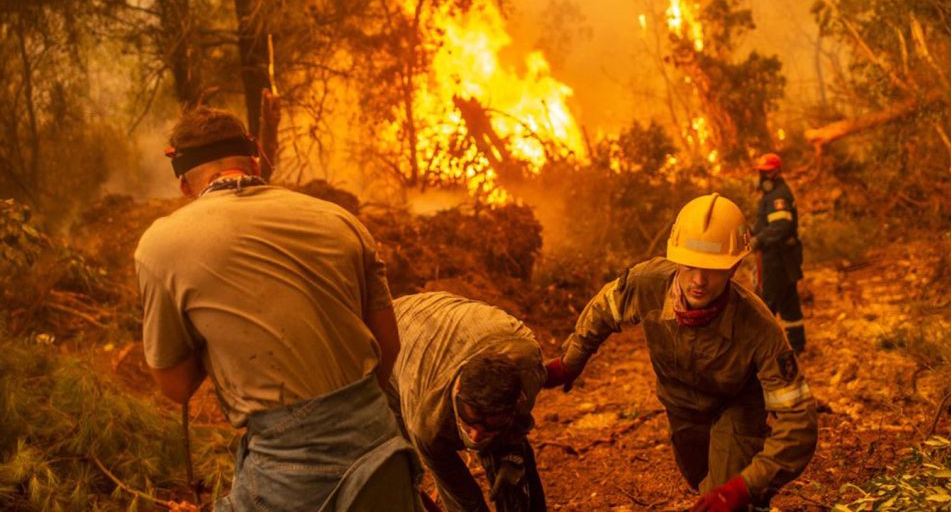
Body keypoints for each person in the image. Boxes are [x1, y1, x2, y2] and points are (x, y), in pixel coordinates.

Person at [134, 106, 422, 512]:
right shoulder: (340, 221)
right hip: (380, 446)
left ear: (183, 183)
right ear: (255, 160)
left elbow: (176, 386)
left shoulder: (161, 245)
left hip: (289, 470)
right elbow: (388, 346)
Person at [544, 194, 818, 512]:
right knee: (700, 482)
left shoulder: (758, 327)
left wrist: (746, 486)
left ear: (734, 266)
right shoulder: (647, 284)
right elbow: (604, 309)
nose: (699, 281)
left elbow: (800, 423)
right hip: (682, 407)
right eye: (690, 266)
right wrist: (571, 361)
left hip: (736, 407)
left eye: (713, 269)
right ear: (676, 259)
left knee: (728, 491)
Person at [387, 292, 548, 512]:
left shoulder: (528, 369)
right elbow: (461, 498)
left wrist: (512, 454)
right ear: (457, 390)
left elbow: (518, 422)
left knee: (512, 468)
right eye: (470, 421)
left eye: (490, 426)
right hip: (389, 335)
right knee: (402, 463)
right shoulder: (426, 422)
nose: (475, 436)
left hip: (477, 328)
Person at [750, 153, 806, 354]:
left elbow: (781, 226)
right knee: (788, 301)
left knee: (766, 303)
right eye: (759, 172)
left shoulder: (778, 196)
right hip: (784, 258)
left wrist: (759, 239)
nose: (759, 176)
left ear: (774, 172)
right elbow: (768, 225)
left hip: (777, 259)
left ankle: (760, 350)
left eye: (763, 172)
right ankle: (798, 345)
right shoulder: (771, 194)